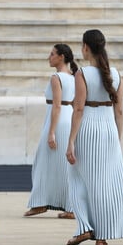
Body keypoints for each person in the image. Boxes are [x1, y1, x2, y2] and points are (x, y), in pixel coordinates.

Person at [65, 29, 123, 245]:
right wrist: (118, 137)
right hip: (109, 129)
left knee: (78, 178)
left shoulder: (82, 73)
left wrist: (71, 141)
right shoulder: (116, 73)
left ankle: (85, 226)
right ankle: (102, 235)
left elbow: (78, 109)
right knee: (105, 182)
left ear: (86, 47)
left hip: (88, 128)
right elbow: (120, 110)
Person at [24, 44, 77, 219]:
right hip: (68, 118)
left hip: (58, 121)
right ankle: (68, 205)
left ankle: (41, 203)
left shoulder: (57, 78)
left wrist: (51, 132)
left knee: (42, 162)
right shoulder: (74, 76)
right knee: (63, 165)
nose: (49, 57)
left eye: (52, 54)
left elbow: (56, 106)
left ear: (61, 57)